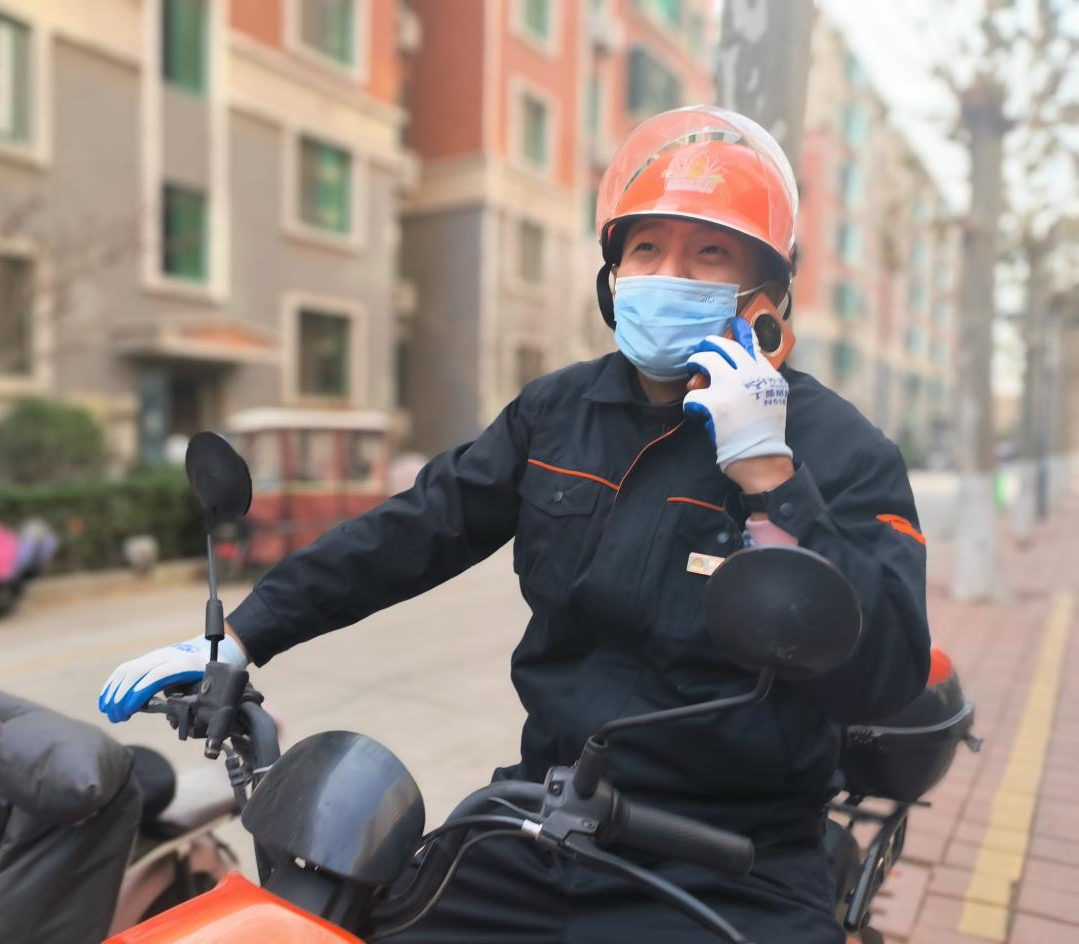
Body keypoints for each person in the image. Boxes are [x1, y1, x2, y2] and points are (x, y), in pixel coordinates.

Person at [98, 106, 930, 943]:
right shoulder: (558, 410)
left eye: (708, 252)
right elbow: (420, 526)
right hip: (543, 821)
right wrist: (243, 636)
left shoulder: (842, 450)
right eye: (646, 249)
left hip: (733, 860)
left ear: (765, 291)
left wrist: (769, 478)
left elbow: (885, 671)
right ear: (612, 277)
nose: (667, 273)